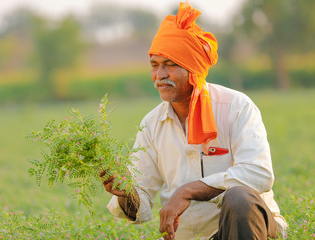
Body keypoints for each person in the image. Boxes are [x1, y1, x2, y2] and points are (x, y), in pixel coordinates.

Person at [103, 2, 287, 240]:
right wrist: (126, 193)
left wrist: (188, 191)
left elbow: (258, 173)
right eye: (154, 65)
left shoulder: (237, 107)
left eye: (170, 65)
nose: (160, 76)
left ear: (193, 69)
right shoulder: (151, 125)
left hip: (247, 231)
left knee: (239, 198)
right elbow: (141, 204)